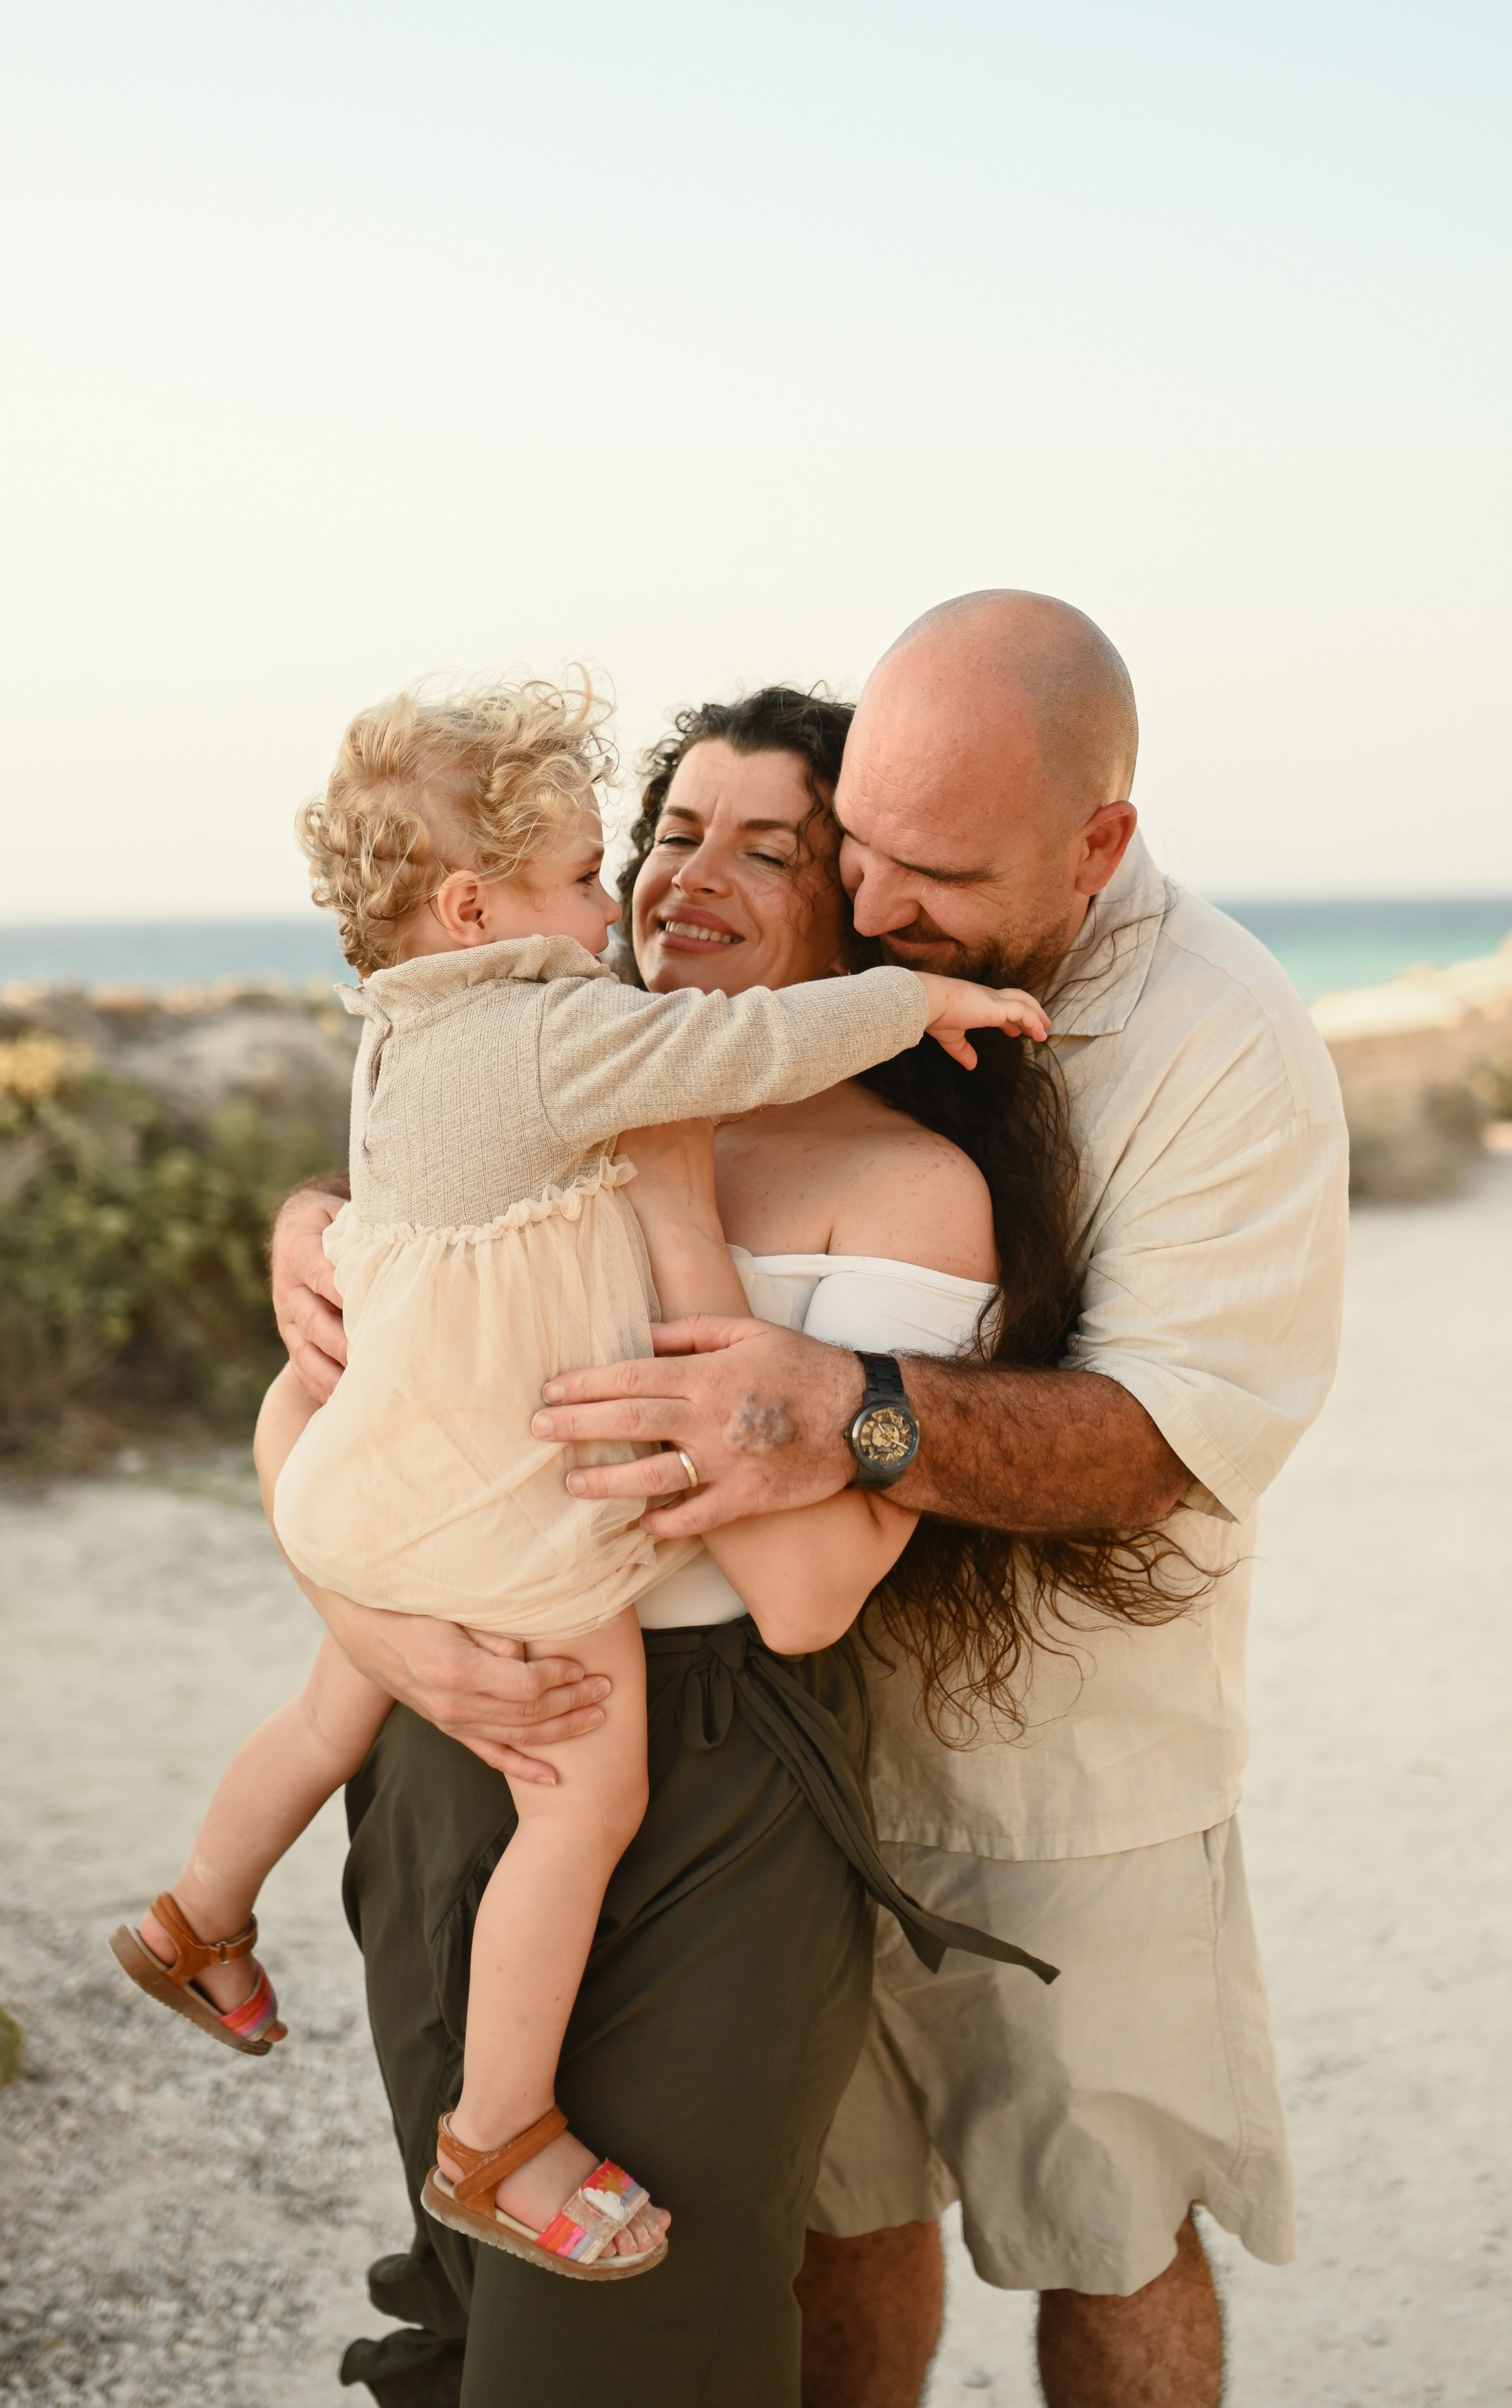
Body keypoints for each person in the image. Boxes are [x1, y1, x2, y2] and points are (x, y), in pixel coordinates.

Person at [520, 594, 1350, 2408]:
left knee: (1106, 2230)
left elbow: (1161, 1435)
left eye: (936, 874)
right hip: (784, 1763)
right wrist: (306, 1231)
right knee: (835, 2224)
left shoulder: (1220, 1041)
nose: (879, 909)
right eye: (858, 851)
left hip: (1074, 1778)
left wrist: (849, 1415)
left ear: (1099, 842)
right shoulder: (827, 965)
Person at [110, 675, 1044, 2281]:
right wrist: (387, 1621)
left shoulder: (474, 1056)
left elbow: (808, 1600)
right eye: (659, 836)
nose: (668, 880)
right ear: (482, 905)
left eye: (766, 849)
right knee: (449, 2313)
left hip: (584, 1673)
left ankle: (211, 1919)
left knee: (612, 2342)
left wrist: (681, 1205)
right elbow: (322, 1406)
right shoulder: (573, 1068)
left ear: (854, 893)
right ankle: (487, 2128)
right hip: (468, 1650)